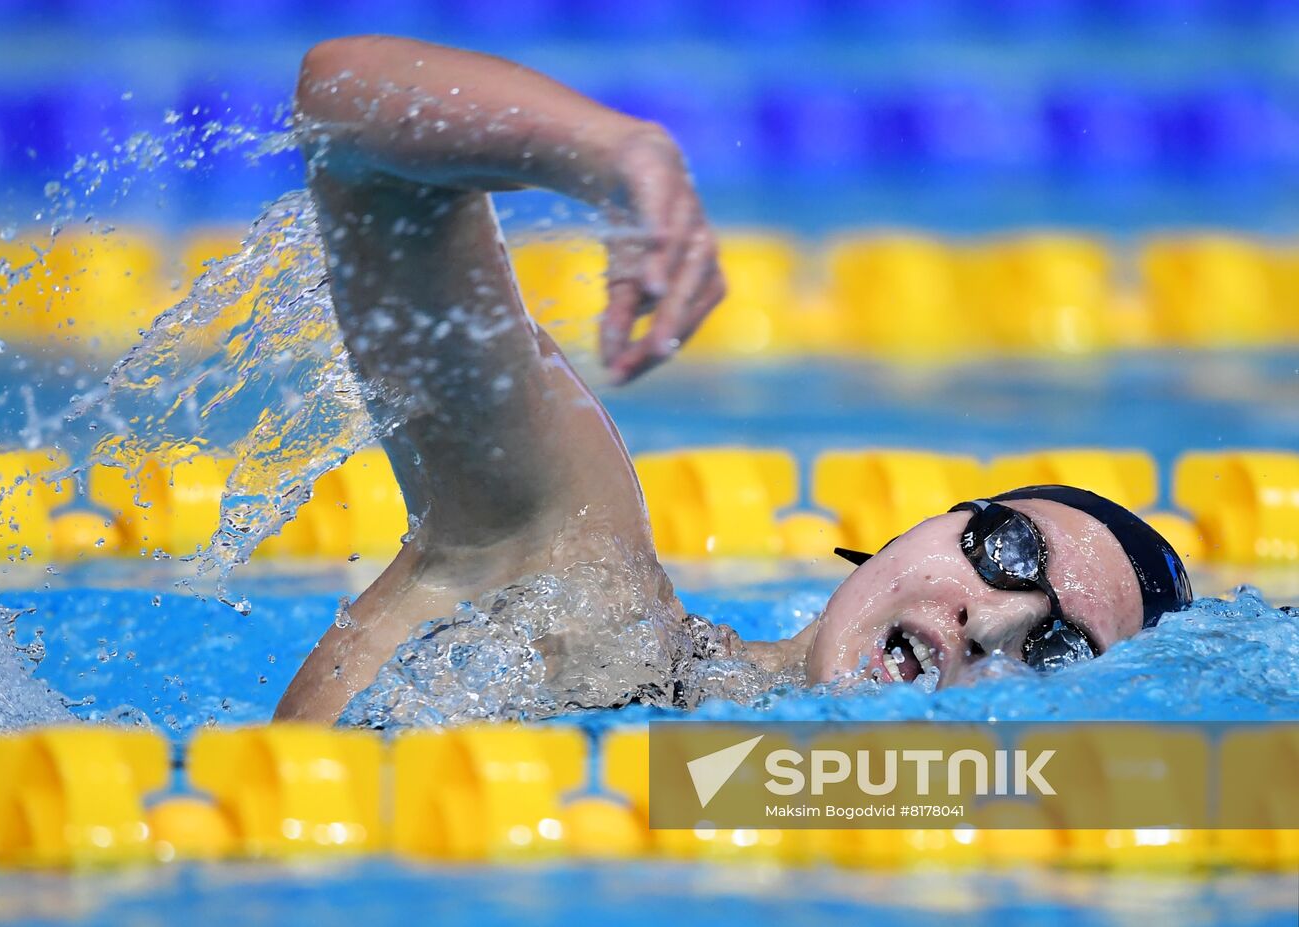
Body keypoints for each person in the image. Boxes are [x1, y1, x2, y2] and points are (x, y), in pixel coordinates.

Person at [275, 36, 1191, 723]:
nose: (990, 621)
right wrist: (611, 152)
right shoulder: (565, 584)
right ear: (922, 528)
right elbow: (346, 116)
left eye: (1056, 649)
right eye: (1009, 553)